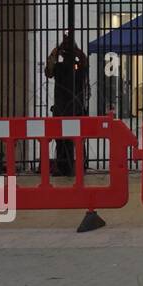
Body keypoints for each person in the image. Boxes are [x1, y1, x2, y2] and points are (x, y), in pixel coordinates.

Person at [44, 31, 88, 177]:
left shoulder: (77, 67)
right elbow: (49, 72)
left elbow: (84, 62)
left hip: (70, 108)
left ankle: (76, 165)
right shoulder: (60, 67)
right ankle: (65, 166)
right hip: (65, 108)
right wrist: (57, 51)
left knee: (74, 140)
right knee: (63, 140)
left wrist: (57, 51)